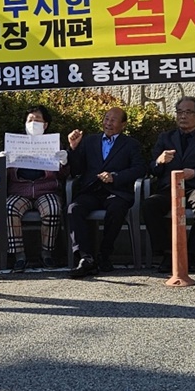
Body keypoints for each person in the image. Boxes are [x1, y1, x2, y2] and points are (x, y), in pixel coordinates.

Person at [141, 97, 195, 272]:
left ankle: (190, 254)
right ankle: (168, 254)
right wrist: (159, 161)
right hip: (169, 188)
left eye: (188, 112)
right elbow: (152, 169)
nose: (183, 116)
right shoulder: (165, 138)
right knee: (150, 204)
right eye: (179, 112)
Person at [64, 107, 146, 278]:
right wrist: (73, 148)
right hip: (91, 190)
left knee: (116, 209)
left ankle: (104, 255)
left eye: (113, 120)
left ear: (123, 124)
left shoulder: (131, 144)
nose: (108, 123)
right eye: (106, 118)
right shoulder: (89, 141)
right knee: (74, 208)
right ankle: (85, 258)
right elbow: (77, 170)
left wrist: (115, 177)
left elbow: (139, 169)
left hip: (116, 191)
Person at [4, 106, 67, 272]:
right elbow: (5, 175)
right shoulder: (15, 143)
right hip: (19, 189)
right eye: (30, 120)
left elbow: (63, 175)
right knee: (9, 208)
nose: (33, 124)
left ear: (45, 125)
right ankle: (19, 256)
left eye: (37, 120)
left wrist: (63, 162)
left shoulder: (54, 143)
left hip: (46, 189)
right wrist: (3, 163)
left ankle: (47, 252)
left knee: (52, 209)